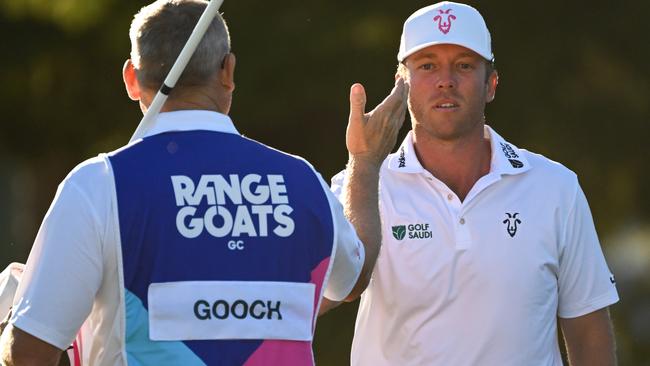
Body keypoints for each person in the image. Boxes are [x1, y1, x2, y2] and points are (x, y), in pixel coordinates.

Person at [0, 0, 407, 364]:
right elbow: (354, 275)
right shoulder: (301, 181)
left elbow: (28, 353)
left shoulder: (99, 184)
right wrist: (366, 162)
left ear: (131, 78)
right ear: (228, 71)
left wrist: (15, 317)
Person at [331, 2, 620, 365]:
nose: (446, 80)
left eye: (464, 65)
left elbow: (589, 330)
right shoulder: (359, 185)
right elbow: (319, 294)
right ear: (401, 86)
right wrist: (363, 162)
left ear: (491, 85)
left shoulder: (555, 187)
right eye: (427, 65)